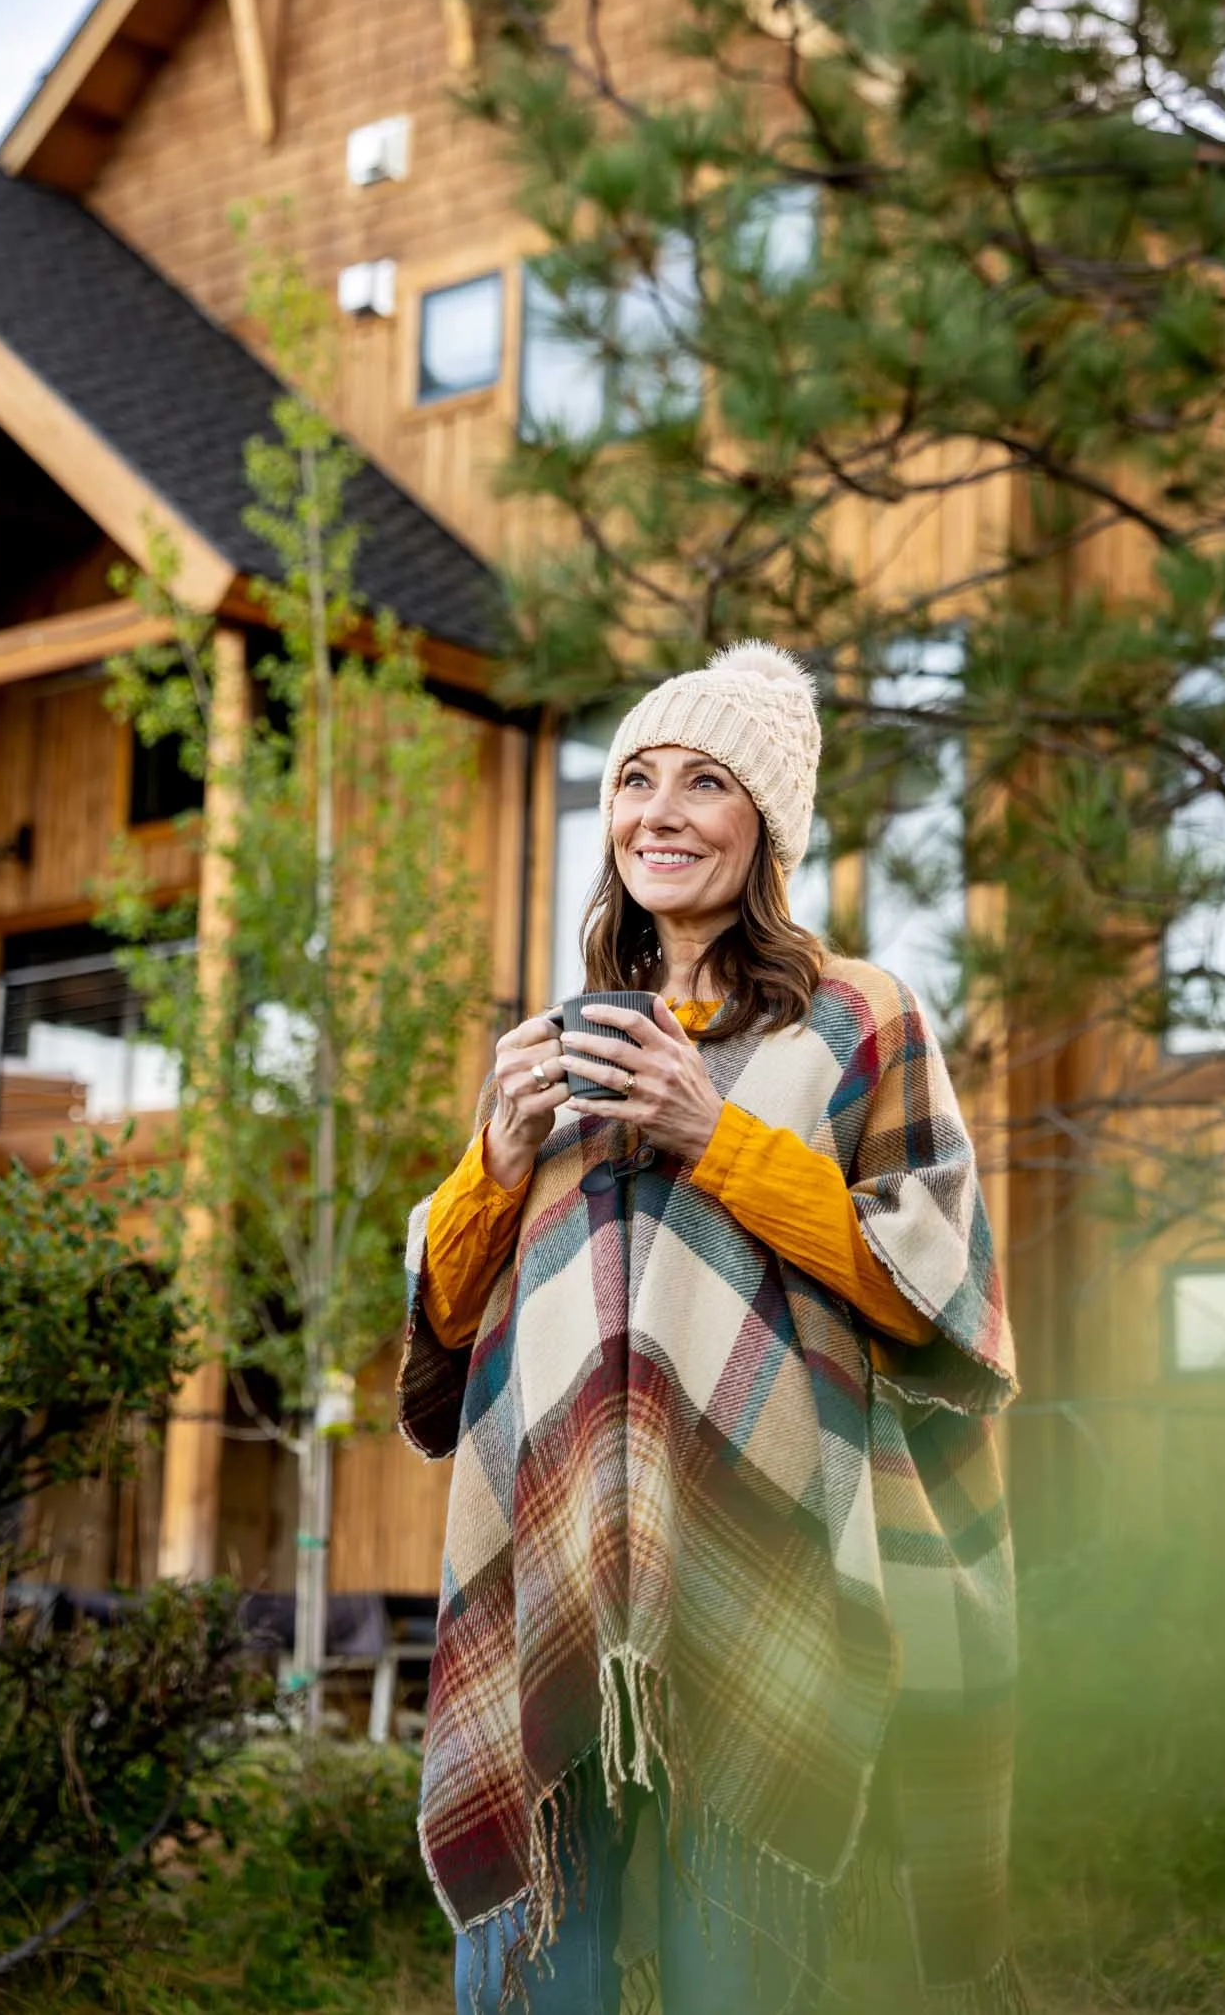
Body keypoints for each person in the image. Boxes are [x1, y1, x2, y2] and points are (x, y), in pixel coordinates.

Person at [397, 644, 1022, 2015]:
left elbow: (934, 1281)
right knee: (528, 1986)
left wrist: (713, 1136)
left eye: (702, 782)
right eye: (632, 779)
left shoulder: (856, 1018)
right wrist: (492, 1168)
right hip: (550, 1571)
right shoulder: (560, 1040)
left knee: (733, 1979)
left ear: (766, 829)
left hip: (762, 1578)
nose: (657, 812)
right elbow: (452, 1331)